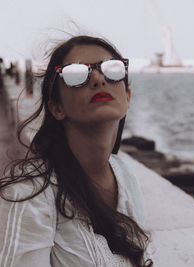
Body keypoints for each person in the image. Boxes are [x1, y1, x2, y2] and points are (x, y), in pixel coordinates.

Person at [0, 35, 153, 267]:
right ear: (57, 107)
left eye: (112, 69)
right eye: (76, 74)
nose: (99, 79)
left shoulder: (125, 174)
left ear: (128, 97)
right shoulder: (29, 192)